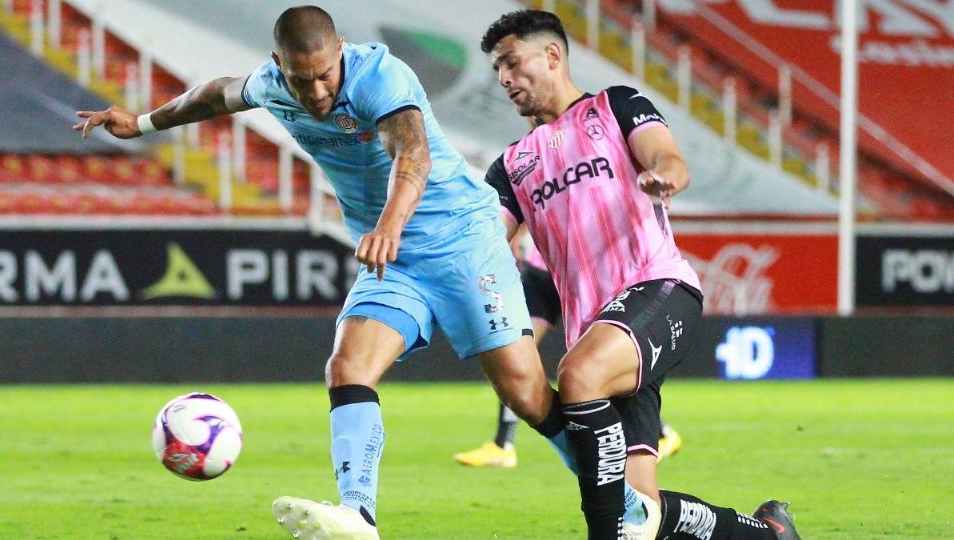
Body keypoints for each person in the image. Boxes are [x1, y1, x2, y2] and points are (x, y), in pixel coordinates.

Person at [74, 6, 659, 539]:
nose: (320, 91)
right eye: (303, 80)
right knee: (348, 364)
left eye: (327, 73)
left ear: (342, 51)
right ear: (280, 67)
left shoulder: (381, 76)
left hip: (463, 243)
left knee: (528, 396)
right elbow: (216, 94)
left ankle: (624, 503)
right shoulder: (271, 84)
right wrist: (144, 123)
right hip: (396, 259)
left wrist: (388, 224)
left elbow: (413, 154)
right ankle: (358, 512)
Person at [480, 10, 801, 540]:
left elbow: (667, 156)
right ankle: (767, 533)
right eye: (497, 71)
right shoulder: (511, 165)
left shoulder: (617, 106)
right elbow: (485, 241)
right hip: (597, 335)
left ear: (553, 56)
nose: (504, 80)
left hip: (659, 290)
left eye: (512, 63)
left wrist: (664, 176)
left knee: (577, 376)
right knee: (641, 515)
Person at [454, 237, 682, 469]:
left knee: (596, 366)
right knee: (513, 351)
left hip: (580, 274)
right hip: (540, 274)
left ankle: (659, 430)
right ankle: (503, 445)